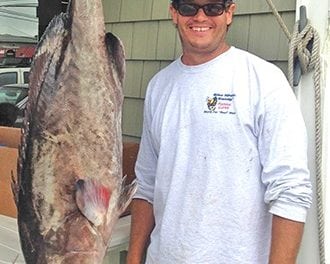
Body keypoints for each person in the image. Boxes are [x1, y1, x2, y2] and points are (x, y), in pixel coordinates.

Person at [126, 0, 313, 263]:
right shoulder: (159, 86)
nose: (200, 17)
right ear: (174, 13)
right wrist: (134, 258)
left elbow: (290, 190)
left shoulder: (264, 80)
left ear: (229, 13)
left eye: (213, 7)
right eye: (189, 8)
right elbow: (146, 184)